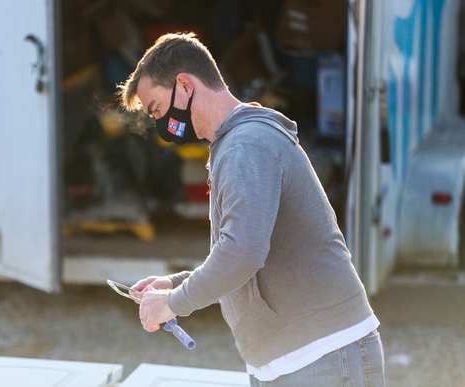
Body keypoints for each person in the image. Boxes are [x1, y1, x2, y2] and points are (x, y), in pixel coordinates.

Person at [118, 32, 385, 386]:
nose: (159, 123)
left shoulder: (247, 144)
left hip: (323, 358)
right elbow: (239, 253)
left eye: (157, 109)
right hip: (296, 362)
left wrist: (173, 302)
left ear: (184, 86)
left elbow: (242, 253)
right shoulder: (236, 143)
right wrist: (174, 283)